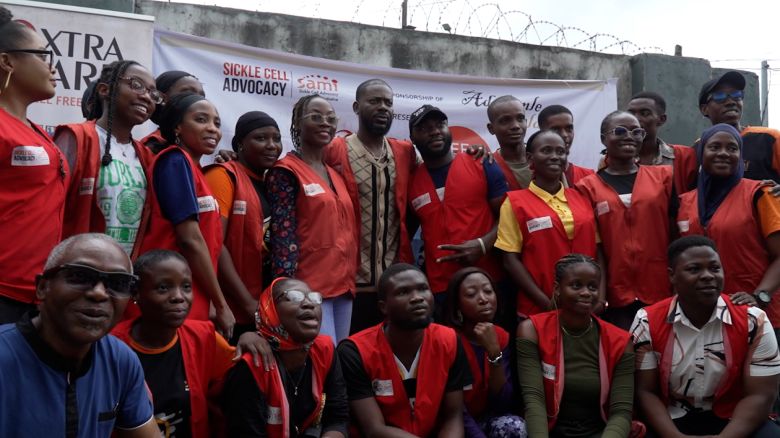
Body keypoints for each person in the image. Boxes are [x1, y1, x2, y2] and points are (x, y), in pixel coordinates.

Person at [0, 233, 158, 437]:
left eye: (118, 283)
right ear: (42, 287)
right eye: (80, 277)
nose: (99, 293)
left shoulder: (119, 360)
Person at [112, 249, 271, 437]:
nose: (179, 296)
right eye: (163, 288)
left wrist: (247, 338)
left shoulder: (203, 337)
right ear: (136, 293)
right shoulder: (112, 348)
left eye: (186, 287)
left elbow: (239, 376)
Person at [632, 236, 780, 437]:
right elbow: (645, 392)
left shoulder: (754, 321)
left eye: (715, 268)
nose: (708, 276)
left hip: (734, 419)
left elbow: (761, 395)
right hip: (670, 420)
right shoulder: (646, 321)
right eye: (694, 269)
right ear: (672, 275)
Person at [134, 93, 235, 337]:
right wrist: (221, 303)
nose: (212, 129)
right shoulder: (174, 161)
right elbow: (190, 239)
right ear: (177, 127)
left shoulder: (195, 168)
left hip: (191, 290)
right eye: (201, 120)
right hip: (171, 291)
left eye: (217, 123)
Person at [323, 78, 417, 334]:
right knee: (349, 357)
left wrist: (475, 154)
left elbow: (440, 166)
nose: (383, 107)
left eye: (388, 103)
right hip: (348, 284)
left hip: (394, 284)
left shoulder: (405, 152)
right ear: (356, 106)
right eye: (374, 101)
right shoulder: (334, 151)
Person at [338, 263, 472, 437]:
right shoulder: (354, 351)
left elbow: (453, 417)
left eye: (423, 289)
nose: (417, 297)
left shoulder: (449, 340)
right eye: (403, 292)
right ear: (383, 306)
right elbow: (373, 429)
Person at [266, 94, 357, 343]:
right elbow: (282, 235)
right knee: (319, 358)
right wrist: (286, 290)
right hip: (308, 290)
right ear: (297, 124)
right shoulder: (285, 171)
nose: (325, 123)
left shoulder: (334, 173)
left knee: (336, 362)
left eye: (330, 118)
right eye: (315, 117)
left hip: (344, 287)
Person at [576, 111, 676, 329]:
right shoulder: (586, 187)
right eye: (620, 131)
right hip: (615, 293)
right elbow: (594, 245)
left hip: (659, 287)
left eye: (636, 131)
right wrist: (600, 293)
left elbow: (677, 231)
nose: (629, 136)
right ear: (603, 138)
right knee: (624, 356)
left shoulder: (664, 178)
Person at [517, 254, 635, 438]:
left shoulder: (620, 341)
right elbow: (534, 400)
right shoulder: (532, 331)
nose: (587, 292)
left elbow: (621, 412)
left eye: (593, 287)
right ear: (557, 289)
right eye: (576, 285)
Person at [677, 123, 780, 332]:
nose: (723, 153)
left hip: (759, 316)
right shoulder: (684, 202)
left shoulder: (761, 193)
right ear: (702, 153)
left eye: (732, 148)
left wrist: (761, 296)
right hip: (706, 319)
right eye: (714, 147)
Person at [0, 6, 68, 323]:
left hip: (35, 297)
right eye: (42, 56)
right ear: (6, 61)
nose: (52, 67)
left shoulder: (36, 130)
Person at [407, 104, 508, 317]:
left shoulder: (481, 162)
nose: (434, 131)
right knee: (452, 348)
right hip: (442, 289)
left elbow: (510, 217)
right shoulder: (410, 182)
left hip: (487, 282)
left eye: (440, 124)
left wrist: (483, 244)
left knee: (495, 345)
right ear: (412, 139)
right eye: (424, 128)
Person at [222, 277, 349, 437]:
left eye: (314, 297)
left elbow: (338, 416)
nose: (309, 303)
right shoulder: (251, 366)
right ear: (270, 311)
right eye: (294, 297)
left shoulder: (325, 349)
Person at [55, 60, 159, 255]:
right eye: (136, 85)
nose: (147, 97)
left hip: (124, 273)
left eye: (153, 94)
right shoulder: (77, 138)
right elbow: (50, 209)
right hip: (78, 268)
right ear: (105, 90)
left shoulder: (146, 156)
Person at [496, 130, 602, 319]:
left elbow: (598, 252)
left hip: (586, 307)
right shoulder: (515, 202)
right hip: (538, 310)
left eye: (560, 151)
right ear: (530, 158)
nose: (555, 156)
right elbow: (510, 261)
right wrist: (547, 304)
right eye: (546, 150)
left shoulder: (582, 197)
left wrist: (600, 298)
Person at [205, 111, 281, 342]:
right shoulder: (223, 175)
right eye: (260, 138)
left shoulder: (274, 181)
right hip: (234, 308)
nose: (271, 146)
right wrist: (247, 302)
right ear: (240, 144)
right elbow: (216, 244)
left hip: (265, 305)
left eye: (276, 139)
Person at [444, 267, 526, 438]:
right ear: (457, 304)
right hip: (453, 423)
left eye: (488, 291)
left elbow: (503, 403)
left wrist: (494, 351)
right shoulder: (447, 339)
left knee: (514, 427)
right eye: (471, 294)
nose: (483, 299)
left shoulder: (501, 336)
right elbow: (455, 411)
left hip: (487, 418)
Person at [699, 70, 780, 183]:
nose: (731, 101)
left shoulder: (769, 138)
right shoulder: (699, 146)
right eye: (720, 96)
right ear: (704, 109)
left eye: (737, 95)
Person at [626, 91, 698, 193]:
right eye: (631, 114)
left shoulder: (684, 156)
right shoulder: (614, 158)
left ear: (662, 119)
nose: (636, 119)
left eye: (645, 113)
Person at [141, 70, 205, 153]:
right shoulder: (150, 149)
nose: (197, 100)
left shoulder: (191, 147)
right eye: (188, 93)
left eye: (202, 96)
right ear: (162, 98)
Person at [537, 104, 595, 186]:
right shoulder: (532, 177)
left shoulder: (589, 176)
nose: (564, 134)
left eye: (569, 129)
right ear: (542, 132)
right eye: (556, 129)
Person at [488, 95, 532, 190]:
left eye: (520, 118)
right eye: (505, 120)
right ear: (491, 128)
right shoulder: (488, 165)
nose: (516, 126)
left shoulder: (543, 160)